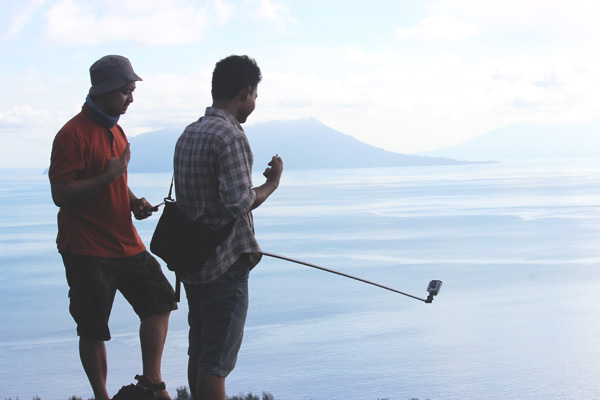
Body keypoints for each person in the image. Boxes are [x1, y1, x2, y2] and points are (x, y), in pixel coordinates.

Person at [48, 55, 177, 400]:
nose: (130, 99)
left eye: (131, 91)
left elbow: (115, 181)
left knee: (161, 301)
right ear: (103, 90)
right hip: (86, 248)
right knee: (93, 327)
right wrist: (108, 177)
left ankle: (151, 380)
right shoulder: (71, 134)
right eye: (125, 91)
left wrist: (132, 200)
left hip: (125, 242)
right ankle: (102, 396)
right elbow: (60, 193)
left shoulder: (116, 131)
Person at [174, 55, 283, 400]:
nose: (254, 102)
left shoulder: (190, 133)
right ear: (245, 91)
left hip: (192, 263)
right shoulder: (231, 136)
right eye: (254, 95)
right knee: (216, 363)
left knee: (200, 351)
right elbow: (237, 203)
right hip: (224, 265)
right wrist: (272, 184)